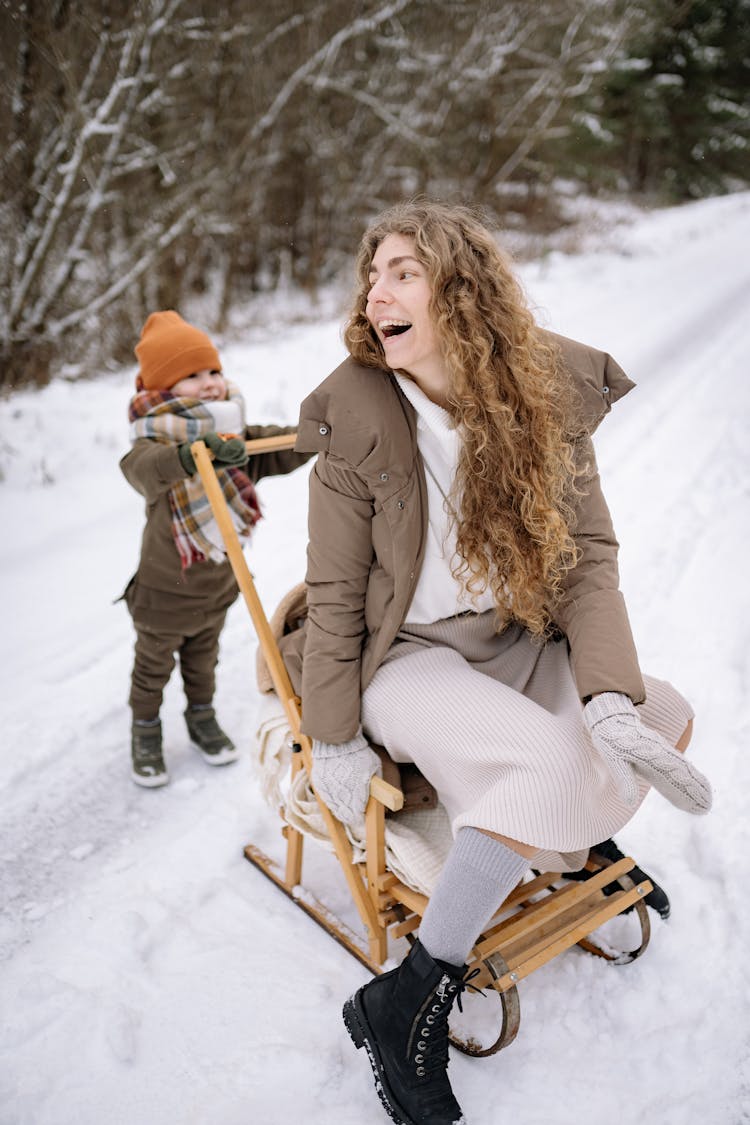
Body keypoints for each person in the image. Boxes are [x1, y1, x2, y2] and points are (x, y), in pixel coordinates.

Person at [279, 202, 713, 1125]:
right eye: (372, 273)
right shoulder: (355, 414)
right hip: (405, 655)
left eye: (402, 271)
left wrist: (605, 697)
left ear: (461, 291)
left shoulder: (541, 395)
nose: (376, 291)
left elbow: (588, 558)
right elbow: (340, 594)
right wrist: (334, 736)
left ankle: (562, 831)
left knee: (661, 713)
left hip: (511, 634)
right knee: (551, 765)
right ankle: (407, 1002)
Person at [120, 310, 311, 788]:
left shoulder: (232, 433)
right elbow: (143, 469)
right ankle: (145, 729)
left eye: (213, 371)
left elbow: (275, 447)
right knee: (152, 671)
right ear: (164, 387)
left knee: (204, 663)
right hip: (165, 593)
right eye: (191, 376)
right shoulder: (153, 438)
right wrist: (191, 457)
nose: (209, 383)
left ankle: (201, 718)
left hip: (218, 587)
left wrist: (317, 436)